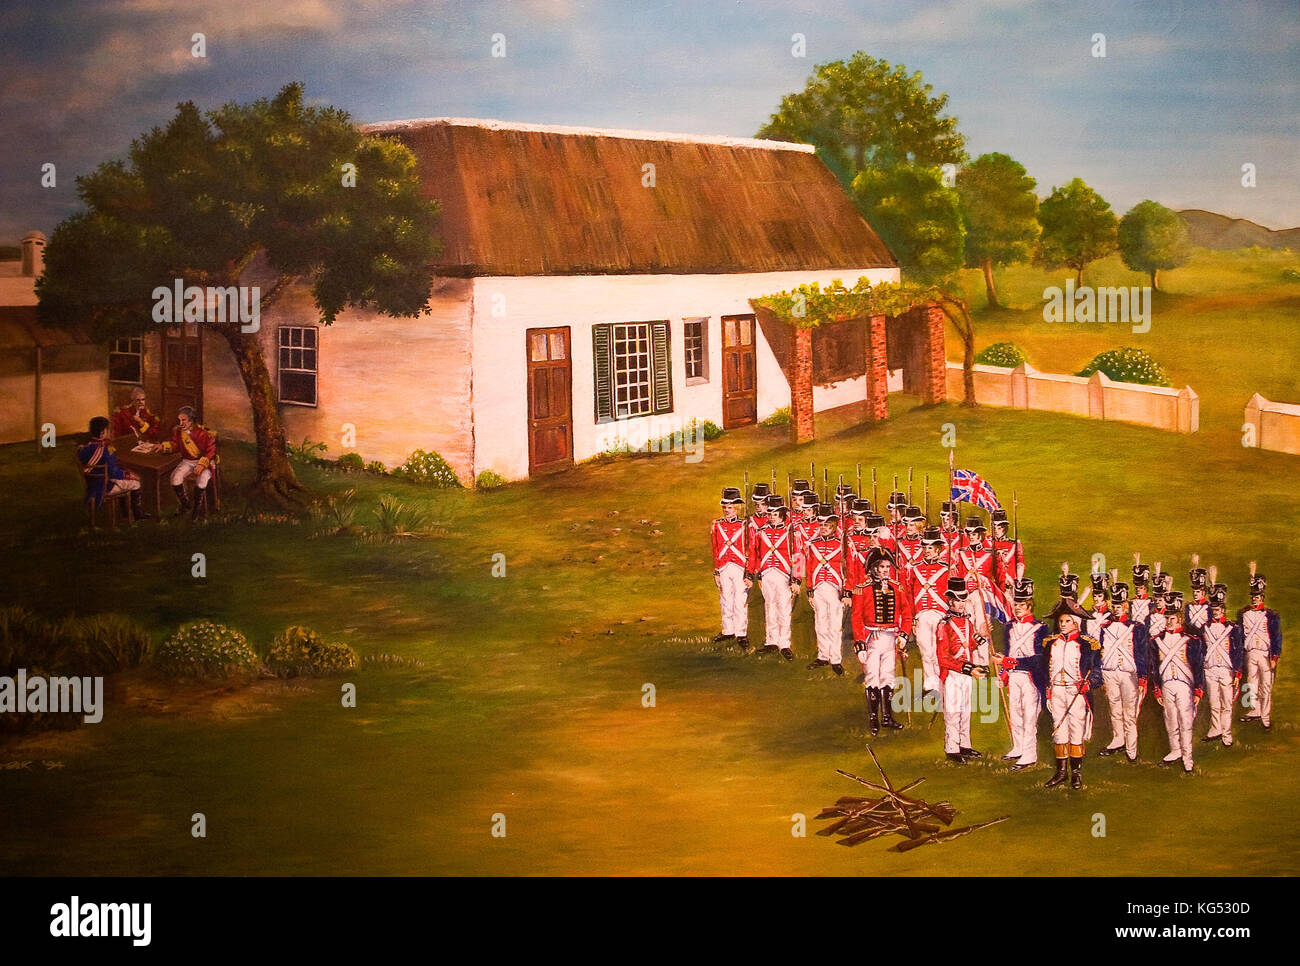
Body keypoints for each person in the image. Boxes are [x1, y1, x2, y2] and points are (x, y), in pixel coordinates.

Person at [1042, 594, 1103, 789]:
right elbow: (1042, 668)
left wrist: (1088, 684)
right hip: (1057, 692)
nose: (1063, 624)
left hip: (1076, 693)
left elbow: (1097, 672)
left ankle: (1076, 773)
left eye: (1067, 621)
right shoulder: (1050, 643)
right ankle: (1061, 772)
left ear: (1076, 623)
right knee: (1059, 731)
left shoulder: (1088, 645)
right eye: (1061, 621)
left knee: (1076, 731)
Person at [851, 548, 912, 734]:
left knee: (888, 676)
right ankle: (873, 719)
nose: (886, 570)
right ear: (873, 569)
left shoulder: (897, 588)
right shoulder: (862, 590)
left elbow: (907, 615)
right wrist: (860, 643)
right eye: (882, 567)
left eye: (888, 567)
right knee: (872, 677)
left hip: (890, 638)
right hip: (871, 638)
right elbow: (856, 618)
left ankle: (886, 717)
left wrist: (903, 635)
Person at [991, 578, 1049, 770]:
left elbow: (1038, 659)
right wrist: (1003, 674)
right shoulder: (1009, 627)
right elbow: (1009, 652)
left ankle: (1029, 754)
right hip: (1014, 676)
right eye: (1015, 604)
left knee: (1029, 716)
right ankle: (1018, 747)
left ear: (1029, 605)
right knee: (1015, 713)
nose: (1017, 608)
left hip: (1031, 677)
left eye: (1021, 605)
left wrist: (1008, 663)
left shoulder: (1040, 628)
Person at [1148, 592, 1205, 774]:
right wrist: (1157, 689)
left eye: (1172, 618)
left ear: (1179, 618)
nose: (1169, 622)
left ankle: (1188, 757)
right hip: (1166, 684)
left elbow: (1197, 667)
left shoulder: (1191, 640)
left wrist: (1198, 690)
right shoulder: (1156, 641)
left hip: (1184, 685)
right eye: (1167, 618)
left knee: (1185, 720)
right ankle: (1175, 750)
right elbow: (1154, 667)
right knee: (1170, 718)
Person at [1095, 580, 1149, 762]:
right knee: (1115, 709)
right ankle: (1118, 740)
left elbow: (1141, 653)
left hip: (1129, 673)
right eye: (1115, 605)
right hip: (1110, 672)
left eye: (1120, 605)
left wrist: (1142, 677)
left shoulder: (1137, 628)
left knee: (1129, 712)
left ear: (1126, 606)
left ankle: (1131, 748)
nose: (1117, 608)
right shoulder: (1105, 627)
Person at [937, 576, 988, 763]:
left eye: (963, 599)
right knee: (952, 712)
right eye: (957, 600)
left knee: (966, 710)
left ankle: (965, 745)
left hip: (967, 673)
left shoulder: (968, 622)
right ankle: (952, 748)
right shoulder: (944, 625)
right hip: (952, 674)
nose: (961, 604)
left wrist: (980, 637)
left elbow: (968, 646)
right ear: (950, 601)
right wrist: (968, 669)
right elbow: (943, 658)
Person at [744, 496, 797, 661]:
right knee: (770, 607)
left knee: (784, 608)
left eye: (774, 514)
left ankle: (785, 644)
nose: (771, 517)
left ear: (781, 515)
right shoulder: (762, 532)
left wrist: (796, 579)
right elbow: (754, 554)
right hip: (767, 574)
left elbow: (798, 555)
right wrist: (750, 573)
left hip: (784, 574)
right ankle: (771, 641)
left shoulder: (790, 532)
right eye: (770, 514)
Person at [145, 406, 218, 519]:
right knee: (175, 479)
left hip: (204, 463)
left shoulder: (204, 433)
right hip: (187, 461)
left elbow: (211, 451)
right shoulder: (179, 432)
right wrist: (163, 446)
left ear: (191, 420)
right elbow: (175, 445)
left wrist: (201, 464)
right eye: (179, 420)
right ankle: (186, 505)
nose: (181, 422)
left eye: (183, 420)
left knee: (201, 481)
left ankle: (196, 511)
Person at [902, 526, 949, 696]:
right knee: (925, 649)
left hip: (940, 614)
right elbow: (910, 593)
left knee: (938, 650)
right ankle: (930, 684)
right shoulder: (915, 569)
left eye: (930, 548)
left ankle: (942, 681)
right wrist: (913, 617)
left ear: (937, 549)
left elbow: (950, 596)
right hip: (921, 614)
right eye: (924, 547)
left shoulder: (946, 568)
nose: (926, 551)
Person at [77, 416, 149, 520]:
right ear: (102, 433)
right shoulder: (106, 450)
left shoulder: (85, 448)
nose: (109, 432)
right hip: (104, 486)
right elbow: (113, 472)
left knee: (123, 479)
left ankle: (125, 512)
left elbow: (80, 452)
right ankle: (137, 514)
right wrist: (130, 475)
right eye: (107, 430)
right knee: (136, 483)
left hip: (91, 484)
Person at [804, 509, 849, 674]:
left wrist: (846, 591)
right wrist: (809, 589)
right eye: (821, 525)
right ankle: (823, 655)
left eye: (827, 526)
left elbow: (847, 568)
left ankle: (836, 659)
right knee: (820, 623)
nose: (823, 528)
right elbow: (809, 568)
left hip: (835, 588)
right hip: (818, 588)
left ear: (833, 527)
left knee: (835, 625)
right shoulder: (813, 544)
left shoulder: (841, 544)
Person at [1238, 564, 1281, 732]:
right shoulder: (1244, 613)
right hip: (1250, 653)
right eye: (1253, 596)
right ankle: (1253, 709)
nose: (1254, 598)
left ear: (1262, 596)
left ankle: (1265, 716)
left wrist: (1275, 657)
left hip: (1265, 654)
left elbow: (1276, 637)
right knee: (1250, 683)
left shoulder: (1271, 616)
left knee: (1266, 685)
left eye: (1257, 596)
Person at [1200, 583, 1243, 748]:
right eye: (1213, 610)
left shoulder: (1232, 629)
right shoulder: (1205, 628)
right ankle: (1215, 729)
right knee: (1213, 702)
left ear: (1223, 610)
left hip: (1226, 670)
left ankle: (1226, 734)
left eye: (1217, 610)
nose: (1214, 613)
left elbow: (1237, 652)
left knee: (1227, 703)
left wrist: (1237, 673)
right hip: (1210, 669)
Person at [710, 487, 749, 649]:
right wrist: (717, 570)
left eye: (730, 507)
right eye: (725, 507)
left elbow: (749, 548)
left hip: (740, 567)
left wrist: (748, 571)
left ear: (737, 508)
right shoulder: (717, 526)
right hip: (724, 566)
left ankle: (741, 633)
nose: (727, 510)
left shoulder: (744, 525)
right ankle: (728, 630)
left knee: (740, 600)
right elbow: (716, 549)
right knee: (725, 598)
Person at [990, 509, 1024, 595]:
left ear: (1004, 528)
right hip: (992, 585)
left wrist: (1019, 579)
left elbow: (1020, 562)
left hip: (1008, 584)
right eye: (994, 527)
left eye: (999, 528)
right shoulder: (987, 542)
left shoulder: (1014, 544)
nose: (996, 530)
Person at [1185, 557, 1210, 634]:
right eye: (1194, 591)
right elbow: (1187, 622)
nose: (1195, 594)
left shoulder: (1209, 607)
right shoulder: (1188, 607)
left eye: (1198, 591)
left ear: (1203, 593)